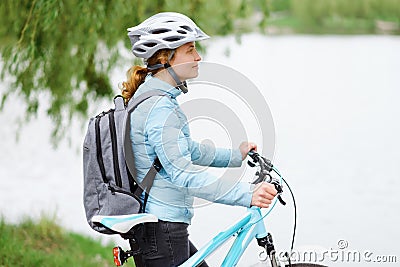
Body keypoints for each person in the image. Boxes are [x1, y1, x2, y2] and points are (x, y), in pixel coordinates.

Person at [121, 12, 277, 267]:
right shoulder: (160, 109)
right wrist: (246, 194)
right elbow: (184, 174)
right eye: (190, 49)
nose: (198, 57)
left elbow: (186, 151)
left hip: (162, 228)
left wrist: (234, 156)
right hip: (163, 230)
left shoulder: (155, 99)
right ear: (165, 58)